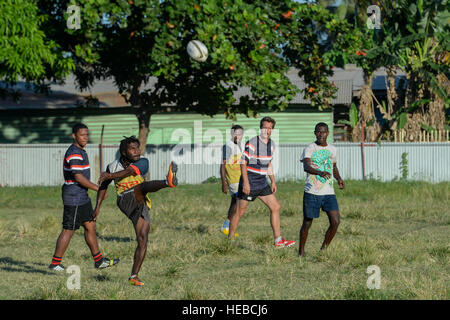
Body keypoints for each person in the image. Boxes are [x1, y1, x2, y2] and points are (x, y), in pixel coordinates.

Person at [94, 136, 178, 286]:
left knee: (143, 239)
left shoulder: (143, 162)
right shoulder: (112, 165)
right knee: (142, 187)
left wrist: (110, 176)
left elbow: (129, 172)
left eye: (138, 148)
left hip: (140, 202)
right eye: (133, 148)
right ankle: (167, 182)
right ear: (124, 152)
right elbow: (103, 186)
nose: (137, 151)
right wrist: (97, 206)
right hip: (125, 199)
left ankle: (134, 276)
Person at [49, 123, 119, 271]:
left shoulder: (81, 151)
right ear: (74, 136)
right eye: (82, 135)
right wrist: (98, 188)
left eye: (87, 135)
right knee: (69, 229)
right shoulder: (74, 152)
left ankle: (99, 261)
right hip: (74, 196)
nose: (85, 138)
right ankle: (55, 264)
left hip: (82, 196)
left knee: (90, 226)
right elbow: (78, 177)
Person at [228, 117, 296, 247]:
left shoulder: (272, 144)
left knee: (276, 207)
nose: (267, 130)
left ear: (272, 129)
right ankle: (229, 242)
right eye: (265, 127)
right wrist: (246, 183)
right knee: (239, 212)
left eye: (270, 128)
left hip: (262, 182)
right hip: (250, 180)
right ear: (261, 128)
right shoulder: (253, 142)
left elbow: (268, 163)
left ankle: (278, 241)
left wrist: (273, 181)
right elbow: (243, 163)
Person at [298, 122, 345, 257]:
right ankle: (301, 252)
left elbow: (333, 167)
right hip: (312, 191)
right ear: (315, 133)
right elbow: (306, 167)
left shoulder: (333, 149)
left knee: (335, 221)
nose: (321, 135)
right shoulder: (310, 148)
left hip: (329, 192)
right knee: (307, 223)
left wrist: (339, 178)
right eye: (318, 132)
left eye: (323, 132)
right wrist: (319, 172)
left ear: (328, 133)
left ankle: (323, 250)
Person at [220, 125, 244, 236]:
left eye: (240, 134)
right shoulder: (228, 146)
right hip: (233, 179)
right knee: (238, 202)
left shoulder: (242, 146)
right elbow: (223, 165)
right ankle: (227, 227)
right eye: (236, 134)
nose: (238, 136)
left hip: (241, 178)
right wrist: (224, 183)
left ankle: (228, 227)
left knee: (235, 202)